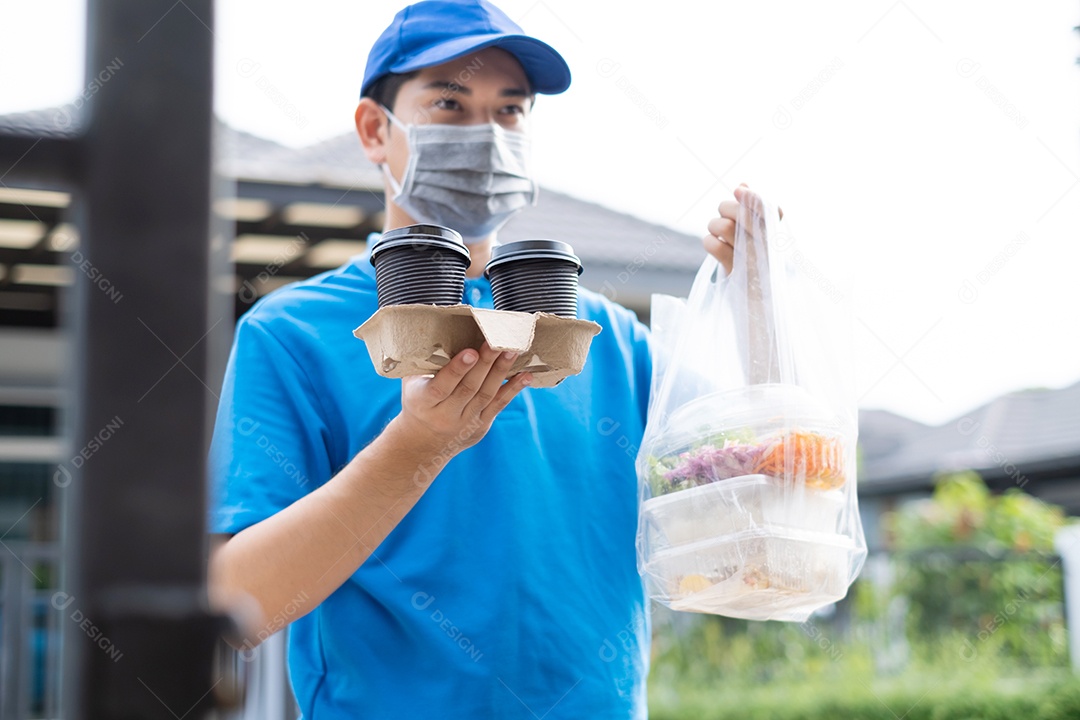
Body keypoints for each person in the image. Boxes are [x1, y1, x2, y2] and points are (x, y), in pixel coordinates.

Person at [208, 0, 756, 717]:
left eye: (509, 111)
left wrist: (756, 299)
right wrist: (415, 450)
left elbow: (750, 509)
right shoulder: (295, 336)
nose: (487, 135)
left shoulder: (613, 345)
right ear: (376, 130)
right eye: (449, 102)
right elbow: (237, 601)